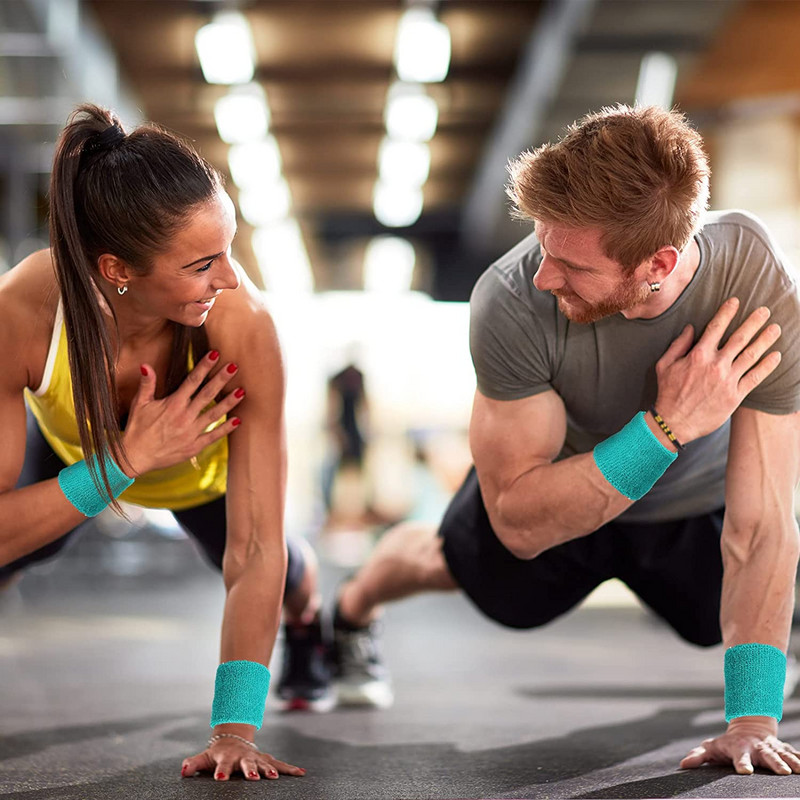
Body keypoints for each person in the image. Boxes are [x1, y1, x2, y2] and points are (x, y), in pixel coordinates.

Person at [329, 104, 800, 775]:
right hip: (559, 494)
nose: (545, 275)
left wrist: (751, 720)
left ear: (657, 263)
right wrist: (664, 431)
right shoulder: (512, 300)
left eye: (571, 265)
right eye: (543, 247)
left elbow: (761, 525)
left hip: (688, 508)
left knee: (730, 609)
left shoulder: (755, 282)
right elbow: (520, 524)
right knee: (454, 567)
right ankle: (350, 610)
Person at [0, 104, 333, 784]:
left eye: (230, 250)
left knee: (288, 575)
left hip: (201, 476)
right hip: (76, 459)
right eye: (203, 263)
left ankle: (316, 623)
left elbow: (256, 549)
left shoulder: (244, 326)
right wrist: (127, 459)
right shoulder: (21, 314)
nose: (231, 278)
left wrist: (233, 731)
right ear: (118, 267)